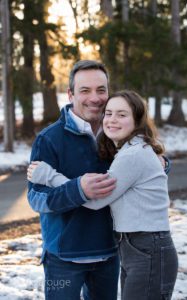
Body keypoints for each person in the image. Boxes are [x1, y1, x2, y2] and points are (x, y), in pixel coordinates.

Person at [28, 90, 178, 300]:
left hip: (146, 247)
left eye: (122, 114)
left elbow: (95, 200)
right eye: (108, 113)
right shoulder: (130, 150)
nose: (112, 120)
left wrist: (50, 176)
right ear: (70, 95)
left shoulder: (133, 153)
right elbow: (35, 198)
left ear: (137, 119)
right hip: (135, 247)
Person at [27, 60, 120, 300]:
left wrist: (162, 164)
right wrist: (77, 189)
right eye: (85, 90)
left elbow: (142, 166)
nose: (95, 98)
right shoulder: (49, 139)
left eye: (101, 90)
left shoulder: (118, 133)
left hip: (110, 253)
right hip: (63, 257)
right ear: (70, 94)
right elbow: (36, 199)